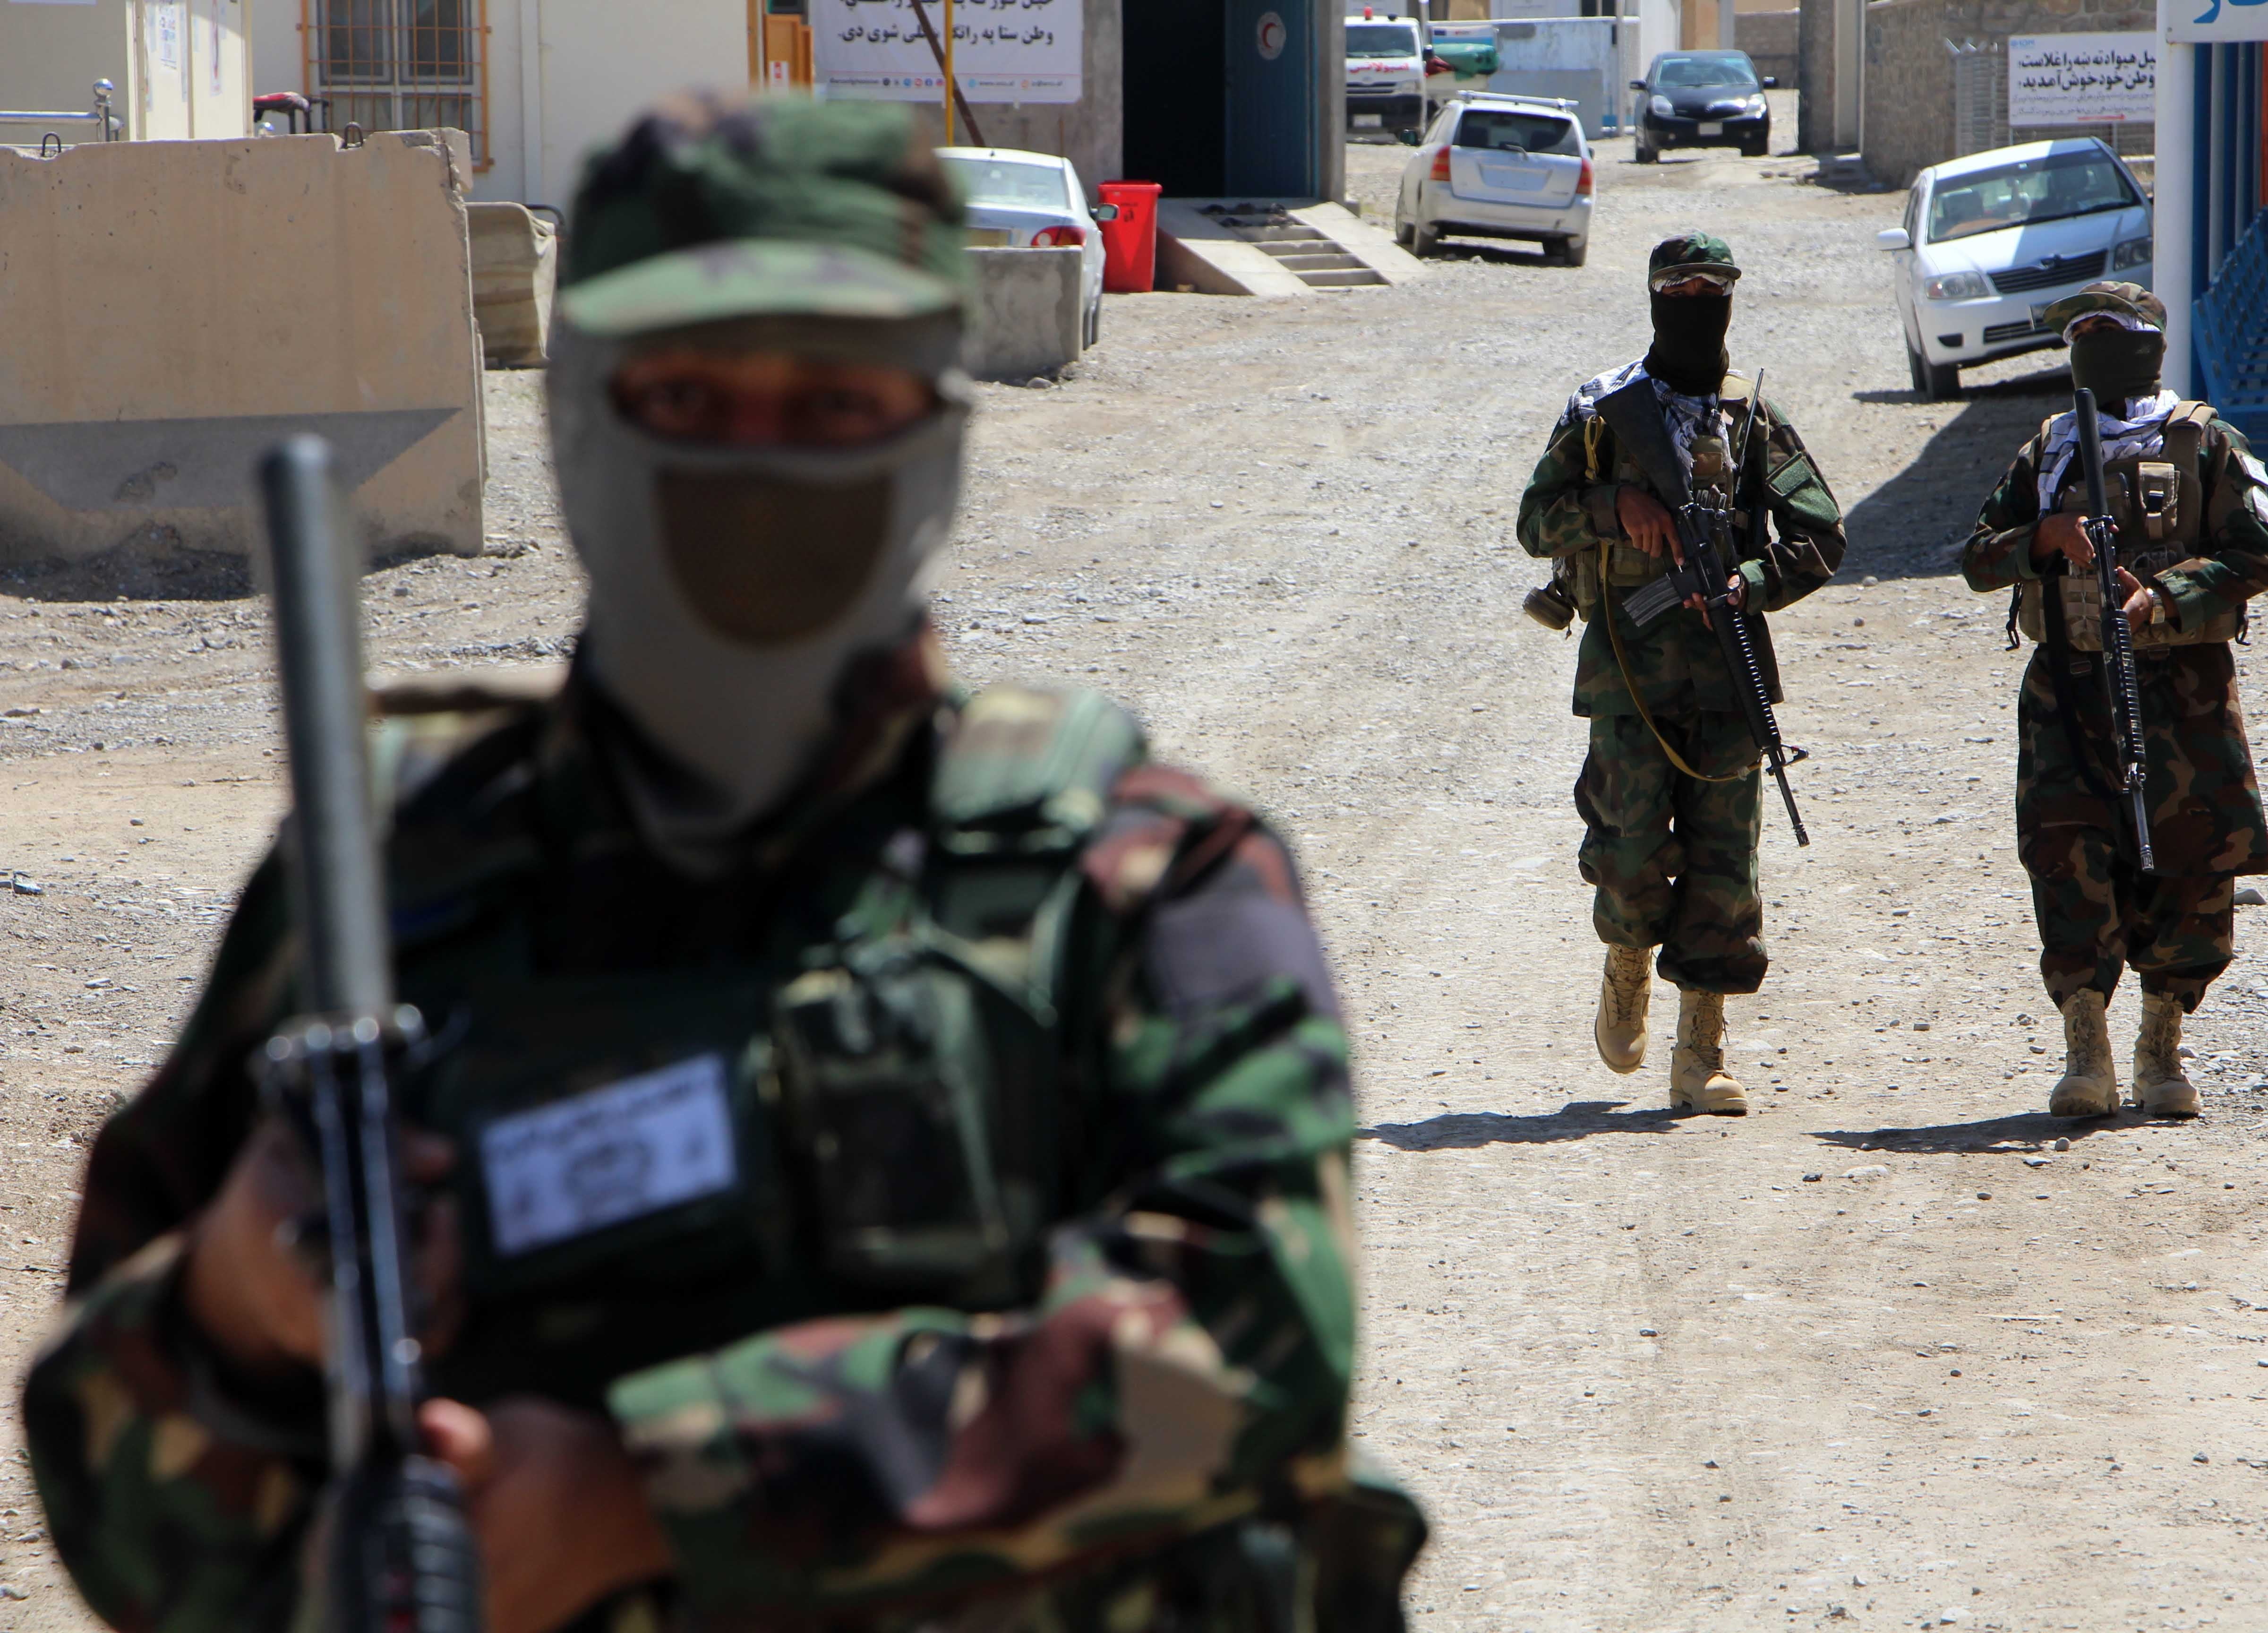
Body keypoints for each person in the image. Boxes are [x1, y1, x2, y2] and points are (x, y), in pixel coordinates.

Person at [21, 94, 1421, 1633]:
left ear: (938, 440)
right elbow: (113, 1504)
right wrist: (229, 1306)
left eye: (833, 404)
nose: (756, 468)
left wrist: (650, 1495)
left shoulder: (1139, 877)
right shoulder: (384, 882)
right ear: (574, 420)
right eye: (684, 396)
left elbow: (1255, 1345)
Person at [1515, 232, 1847, 1115]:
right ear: (1655, 296)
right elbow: (1535, 522)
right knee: (1628, 855)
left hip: (1729, 675)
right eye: (1681, 288)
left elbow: (1823, 536)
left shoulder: (1752, 417)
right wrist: (1612, 506)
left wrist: (1751, 584)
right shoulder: (1603, 411)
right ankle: (1627, 964)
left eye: (1714, 288)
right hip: (1628, 671)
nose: (1698, 302)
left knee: (1725, 871)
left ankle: (1701, 1052)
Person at [1960, 281, 2268, 1120]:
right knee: (2067, 857)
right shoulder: (2049, 449)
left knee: (2192, 864)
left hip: (2185, 698)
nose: (2092, 344)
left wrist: (2164, 598)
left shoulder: (2204, 442)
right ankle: (2087, 1050)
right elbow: (1977, 556)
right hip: (2070, 694)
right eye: (2081, 333)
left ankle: (2161, 1047)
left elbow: (2257, 558)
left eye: (2109, 330)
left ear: (2148, 342)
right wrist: (2042, 538)